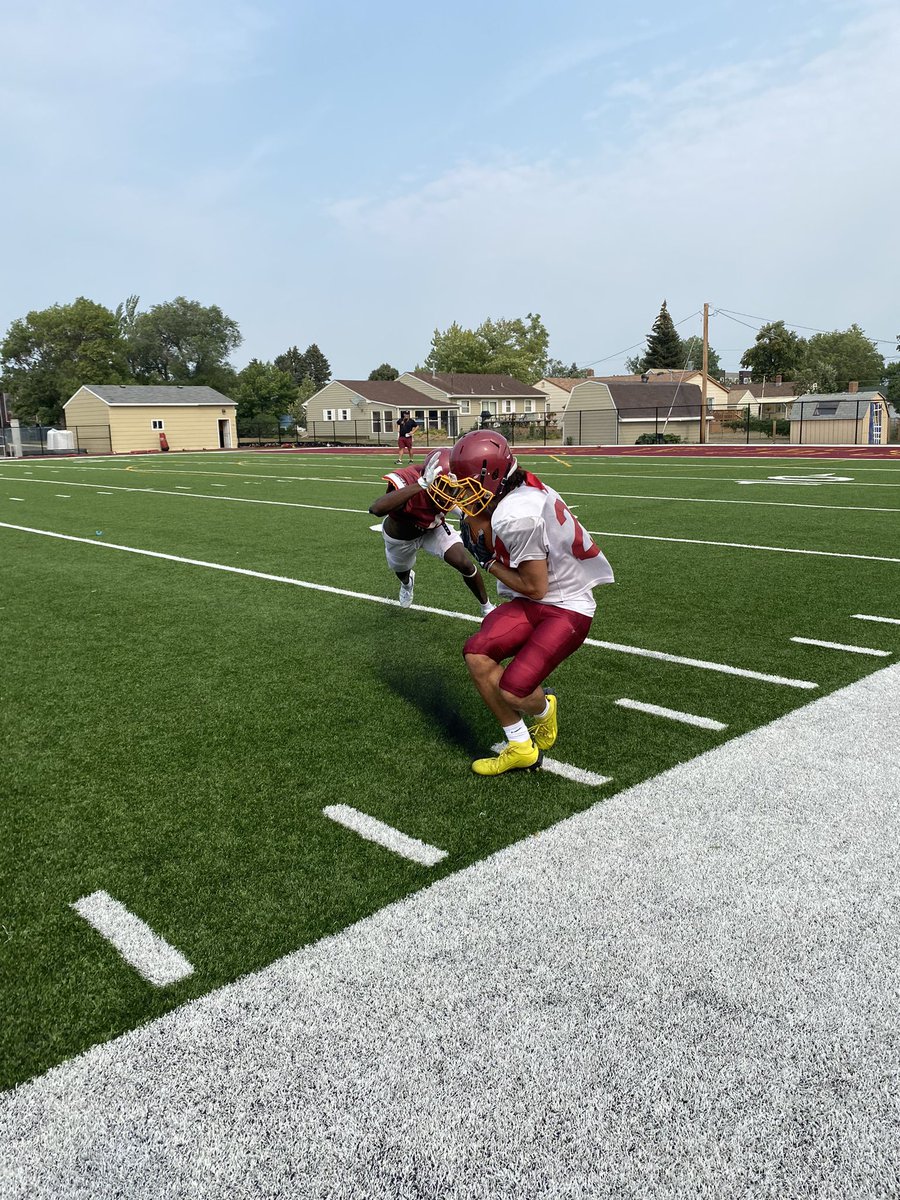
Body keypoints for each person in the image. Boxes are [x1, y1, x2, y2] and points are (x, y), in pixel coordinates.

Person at [431, 429, 614, 776]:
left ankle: (544, 710)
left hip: (567, 605)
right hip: (534, 599)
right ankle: (520, 746)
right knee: (477, 654)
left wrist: (489, 563)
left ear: (495, 477)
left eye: (469, 487)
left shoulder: (516, 513)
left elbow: (535, 587)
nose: (462, 497)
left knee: (514, 691)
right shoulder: (513, 488)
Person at [368, 448, 496, 617]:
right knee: (402, 572)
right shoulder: (409, 478)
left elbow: (458, 504)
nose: (450, 494)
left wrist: (470, 516)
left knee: (463, 562)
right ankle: (407, 584)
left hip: (432, 529)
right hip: (401, 537)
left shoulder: (447, 487)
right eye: (445, 487)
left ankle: (486, 607)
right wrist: (419, 485)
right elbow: (377, 509)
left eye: (453, 489)